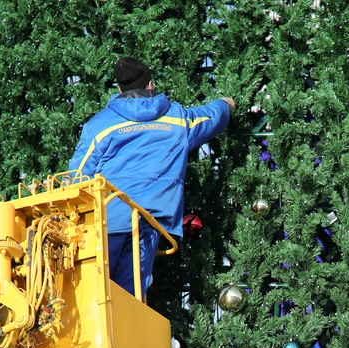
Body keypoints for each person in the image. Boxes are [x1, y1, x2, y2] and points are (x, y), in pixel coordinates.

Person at [68, 57, 234, 295]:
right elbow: (210, 118)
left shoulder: (99, 125)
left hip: (104, 222)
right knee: (129, 299)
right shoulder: (177, 119)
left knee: (92, 295)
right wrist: (225, 105)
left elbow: (74, 178)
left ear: (119, 89)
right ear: (150, 85)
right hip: (146, 224)